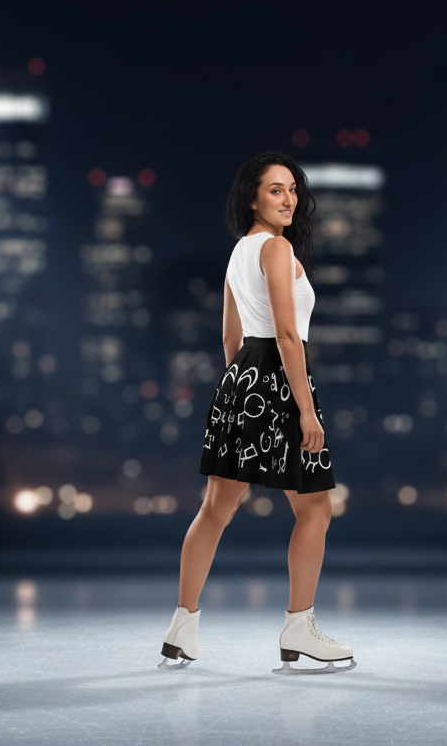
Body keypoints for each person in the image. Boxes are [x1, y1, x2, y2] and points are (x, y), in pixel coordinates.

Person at [159, 151, 355, 675]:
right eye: (275, 190)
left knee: (214, 511)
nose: (288, 199)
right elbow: (288, 335)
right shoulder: (275, 248)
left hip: (241, 380)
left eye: (292, 189)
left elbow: (229, 337)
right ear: (252, 198)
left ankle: (182, 626)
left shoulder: (237, 253)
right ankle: (299, 626)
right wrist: (304, 411)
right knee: (315, 509)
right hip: (280, 380)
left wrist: (243, 392)